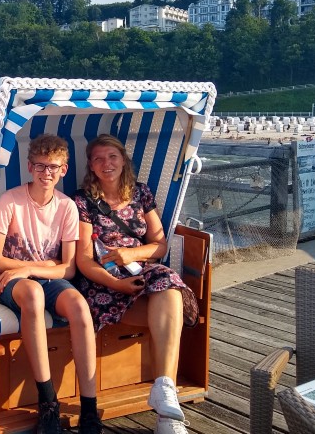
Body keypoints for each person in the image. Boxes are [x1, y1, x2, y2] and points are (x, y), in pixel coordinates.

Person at [72, 134, 198, 434]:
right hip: (103, 280)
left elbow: (160, 245)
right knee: (169, 314)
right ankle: (167, 417)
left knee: (168, 286)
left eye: (112, 156)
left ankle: (164, 390)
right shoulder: (83, 201)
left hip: (140, 268)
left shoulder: (140, 193)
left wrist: (130, 253)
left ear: (123, 159)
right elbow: (84, 261)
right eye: (99, 158)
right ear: (91, 165)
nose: (107, 163)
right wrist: (117, 285)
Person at [0, 134, 102, 434]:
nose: (46, 173)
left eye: (53, 167)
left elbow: (68, 267)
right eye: (40, 166)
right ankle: (48, 401)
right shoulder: (9, 201)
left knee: (78, 305)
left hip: (41, 276)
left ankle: (89, 408)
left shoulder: (66, 207)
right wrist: (31, 270)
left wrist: (29, 267)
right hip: (14, 282)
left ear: (64, 169)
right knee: (34, 293)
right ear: (29, 167)